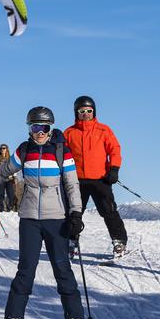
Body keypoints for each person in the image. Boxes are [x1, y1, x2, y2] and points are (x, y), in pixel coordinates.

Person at [0, 106, 85, 319]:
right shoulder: (24, 150)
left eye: (44, 128)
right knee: (25, 270)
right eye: (35, 127)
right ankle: (14, 317)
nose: (40, 132)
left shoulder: (61, 151)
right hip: (29, 219)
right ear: (29, 128)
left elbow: (72, 184)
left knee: (62, 268)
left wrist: (75, 214)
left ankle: (75, 317)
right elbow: (6, 169)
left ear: (50, 128)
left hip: (56, 218)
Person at [64, 95, 128, 259]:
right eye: (82, 111)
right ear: (76, 113)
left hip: (100, 179)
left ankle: (119, 241)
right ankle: (71, 241)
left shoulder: (103, 130)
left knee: (109, 211)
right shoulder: (69, 133)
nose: (85, 114)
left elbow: (114, 149)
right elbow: (62, 154)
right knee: (73, 212)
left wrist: (114, 169)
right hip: (76, 180)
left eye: (89, 111)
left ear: (94, 112)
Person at [0, 144, 15, 212]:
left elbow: (14, 168)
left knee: (10, 194)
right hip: (1, 179)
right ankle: (1, 208)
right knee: (1, 194)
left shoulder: (11, 159)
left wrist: (14, 177)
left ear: (7, 149)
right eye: (1, 148)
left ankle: (10, 208)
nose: (2, 150)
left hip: (9, 179)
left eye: (4, 148)